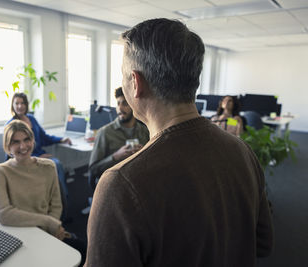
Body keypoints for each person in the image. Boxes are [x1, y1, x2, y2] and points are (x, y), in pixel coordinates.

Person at [85, 18, 273, 267]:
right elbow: (262, 244)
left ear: (135, 82)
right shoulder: (242, 152)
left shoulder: (120, 184)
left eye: (122, 75)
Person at [0, 120, 86, 264]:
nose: (23, 146)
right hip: (17, 235)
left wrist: (50, 231)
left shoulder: (49, 166)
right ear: (8, 147)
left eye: (26, 139)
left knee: (84, 251)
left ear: (33, 141)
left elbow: (56, 205)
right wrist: (49, 222)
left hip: (48, 231)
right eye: (15, 142)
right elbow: (4, 214)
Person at [6, 92, 71, 220]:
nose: (20, 106)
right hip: (25, 160)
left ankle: (63, 205)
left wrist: (61, 139)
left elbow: (44, 137)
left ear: (26, 105)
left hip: (40, 155)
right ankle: (60, 209)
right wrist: (39, 157)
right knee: (55, 164)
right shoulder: (10, 125)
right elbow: (12, 152)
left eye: (22, 103)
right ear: (13, 105)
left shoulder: (32, 119)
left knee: (56, 166)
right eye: (17, 103)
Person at [88, 86, 149, 192]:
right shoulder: (105, 133)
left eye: (124, 104)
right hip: (114, 188)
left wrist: (144, 154)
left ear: (134, 106)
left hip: (139, 185)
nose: (120, 108)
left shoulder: (145, 131)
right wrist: (115, 156)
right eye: (118, 104)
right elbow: (93, 170)